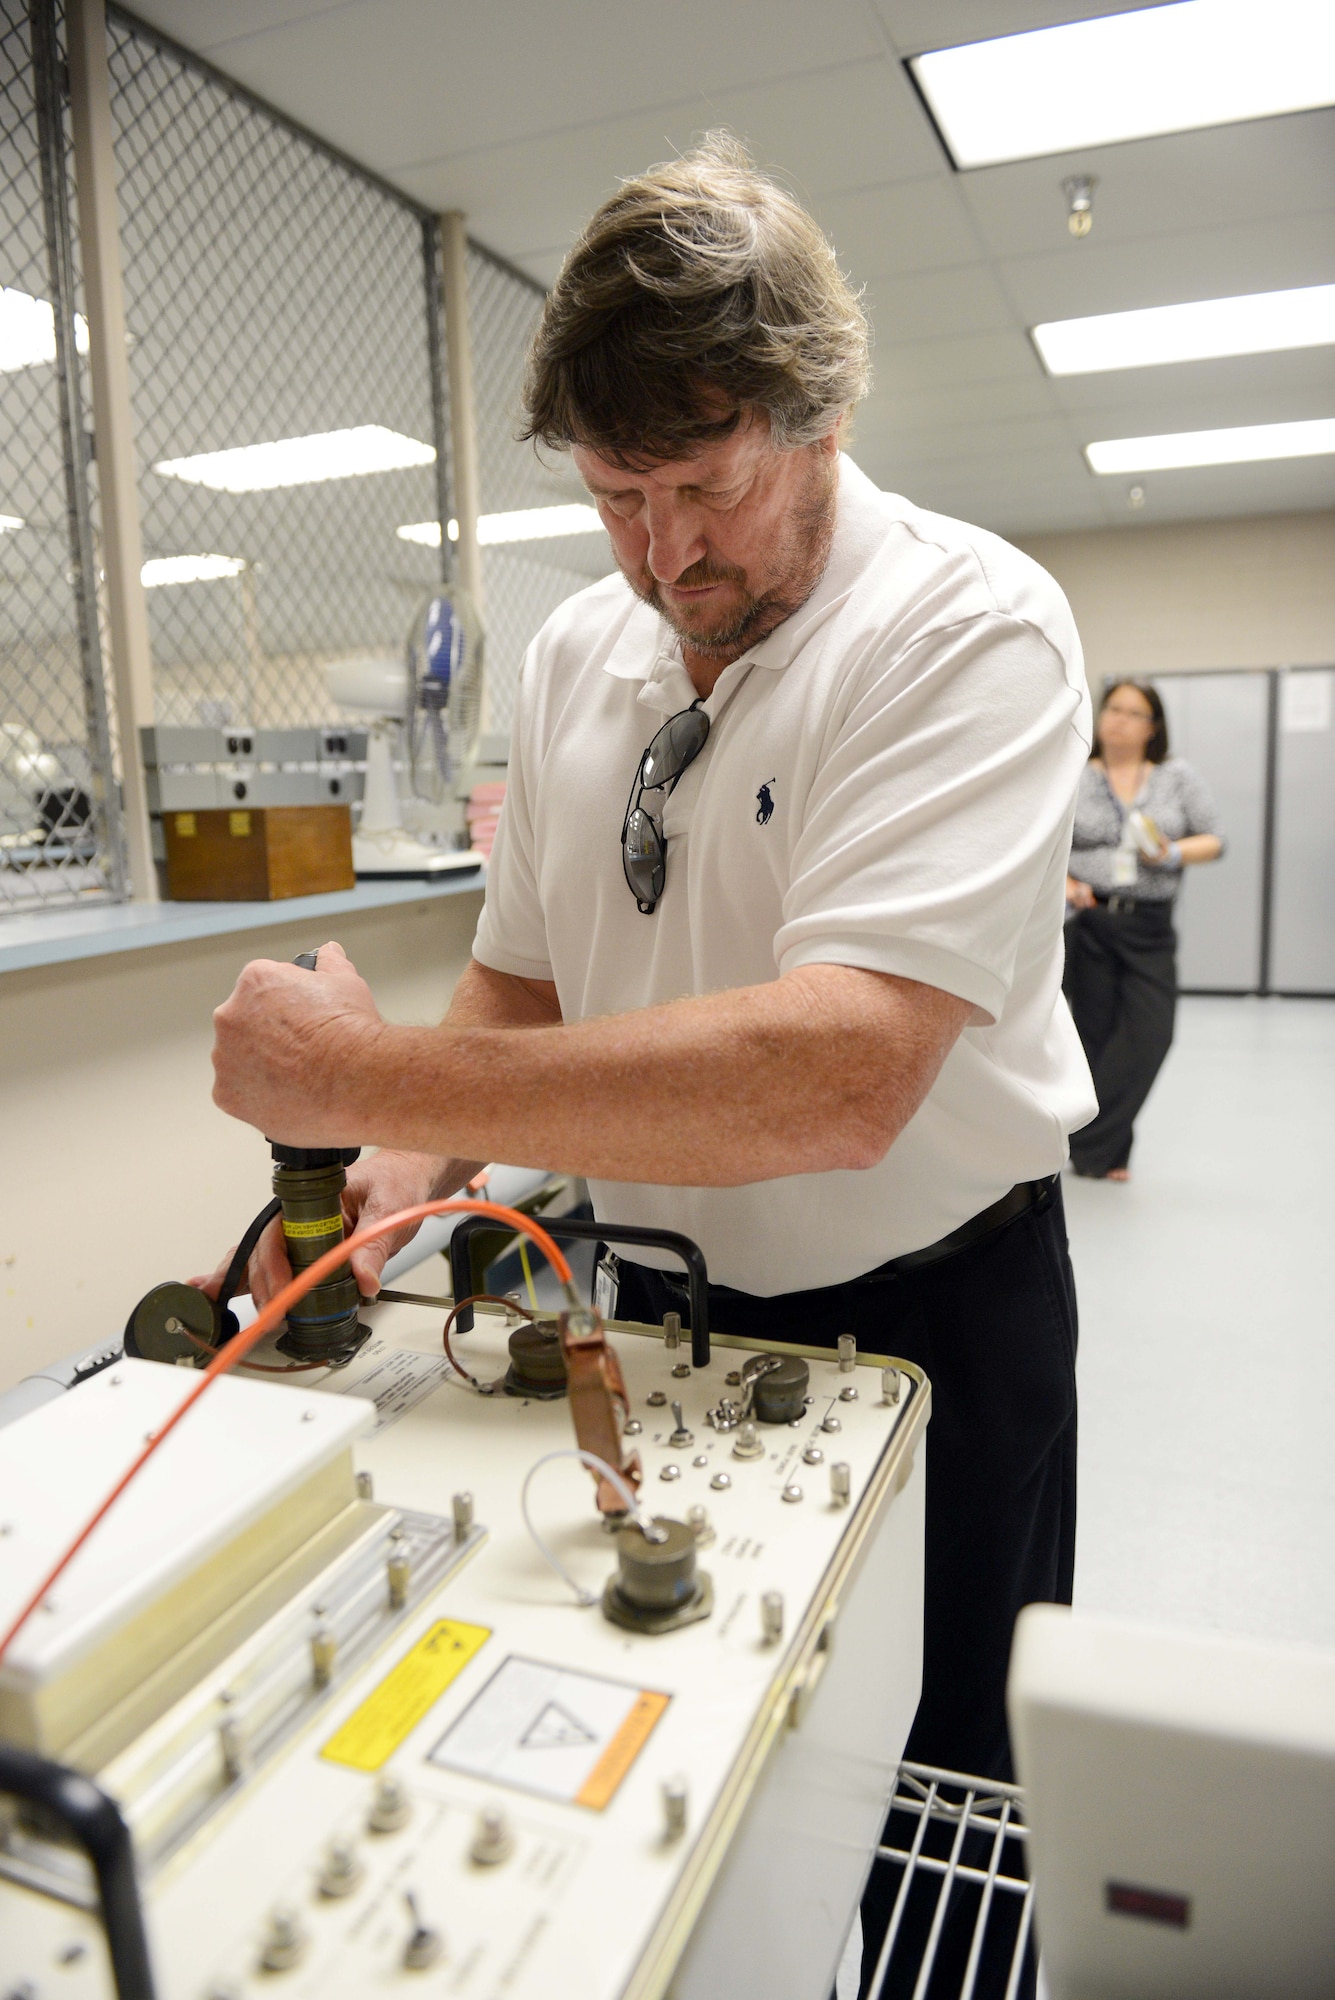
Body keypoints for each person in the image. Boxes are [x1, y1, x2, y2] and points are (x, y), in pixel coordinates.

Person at [205, 137, 1094, 1988]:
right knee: (668, 1750)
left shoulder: (966, 629)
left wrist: (370, 1088)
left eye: (705, 485)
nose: (665, 553)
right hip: (659, 1305)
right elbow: (521, 991)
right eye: (618, 496)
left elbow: (842, 1078)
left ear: (824, 411)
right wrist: (392, 1186)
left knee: (945, 1790)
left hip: (940, 1307)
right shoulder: (581, 649)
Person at [1064, 680, 1223, 1180]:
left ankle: (1082, 1137)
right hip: (1088, 923)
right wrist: (1066, 879)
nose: (1121, 720)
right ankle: (1110, 1153)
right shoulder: (1072, 773)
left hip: (1148, 926)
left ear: (1152, 726)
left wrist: (1173, 852)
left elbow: (1213, 839)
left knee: (1151, 1034)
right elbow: (1043, 841)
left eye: (1135, 713)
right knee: (1097, 1036)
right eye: (1114, 708)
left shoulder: (1176, 777)